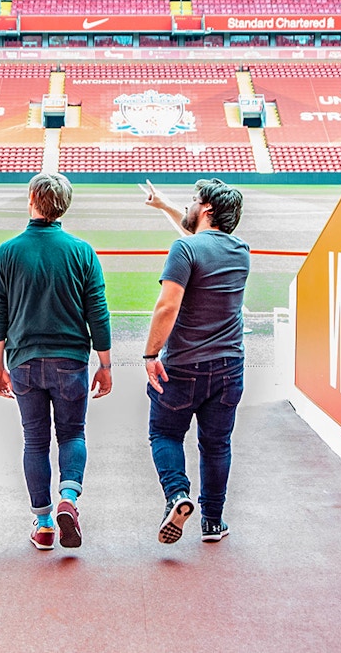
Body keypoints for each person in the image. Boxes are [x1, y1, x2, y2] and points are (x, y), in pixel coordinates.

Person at [0, 172, 112, 551]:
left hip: (24, 362)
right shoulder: (82, 252)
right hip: (71, 362)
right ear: (64, 206)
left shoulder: (7, 252)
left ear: (31, 199)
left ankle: (43, 525)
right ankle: (68, 499)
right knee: (72, 435)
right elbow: (98, 313)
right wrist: (105, 365)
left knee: (35, 441)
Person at [140, 178, 249, 544]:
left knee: (165, 434)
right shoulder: (241, 251)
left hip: (183, 368)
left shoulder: (184, 249)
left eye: (193, 200)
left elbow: (167, 306)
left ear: (207, 209)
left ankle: (177, 495)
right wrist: (165, 205)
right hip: (229, 368)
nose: (188, 205)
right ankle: (213, 522)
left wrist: (150, 353)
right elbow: (201, 241)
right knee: (217, 445)